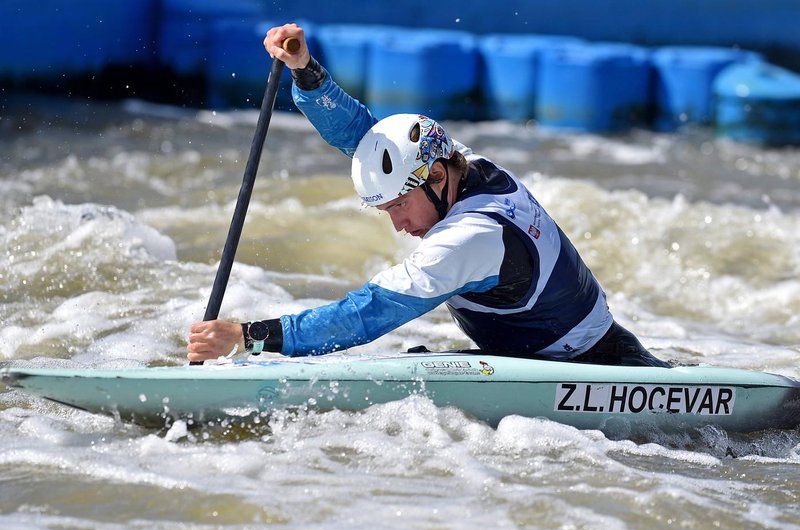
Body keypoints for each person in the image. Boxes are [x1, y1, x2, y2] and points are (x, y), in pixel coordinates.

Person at [187, 23, 670, 368]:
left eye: (398, 206)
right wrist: (306, 71)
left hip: (588, 369)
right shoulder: (456, 163)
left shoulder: (471, 237)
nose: (398, 223)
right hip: (549, 352)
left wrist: (249, 338)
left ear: (437, 178)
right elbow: (366, 136)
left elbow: (369, 313)